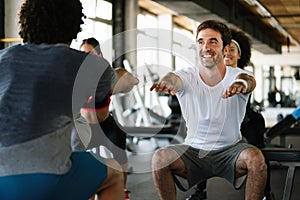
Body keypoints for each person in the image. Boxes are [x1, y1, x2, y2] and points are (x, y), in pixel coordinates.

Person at [0, 0, 125, 199]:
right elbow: (101, 113)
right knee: (115, 173)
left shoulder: (2, 57)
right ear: (74, 27)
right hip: (42, 178)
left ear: (24, 25)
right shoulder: (88, 65)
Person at [150, 20, 267, 200]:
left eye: (213, 41)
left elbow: (248, 80)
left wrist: (240, 85)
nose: (206, 47)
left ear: (225, 49)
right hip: (194, 151)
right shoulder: (187, 75)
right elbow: (173, 77)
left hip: (231, 151)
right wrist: (166, 81)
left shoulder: (237, 75)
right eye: (201, 42)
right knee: (160, 158)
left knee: (256, 158)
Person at [187, 28, 273, 200]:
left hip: (246, 121)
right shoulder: (210, 74)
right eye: (224, 49)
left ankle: (265, 193)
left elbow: (247, 81)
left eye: (232, 50)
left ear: (240, 55)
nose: (227, 53)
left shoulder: (244, 74)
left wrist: (239, 85)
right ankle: (200, 192)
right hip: (219, 121)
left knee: (259, 154)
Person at [71, 37, 139, 200]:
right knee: (74, 156)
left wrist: (132, 79)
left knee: (120, 144)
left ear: (99, 55)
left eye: (90, 53)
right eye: (83, 54)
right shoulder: (76, 74)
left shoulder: (105, 74)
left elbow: (122, 74)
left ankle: (122, 190)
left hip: (105, 125)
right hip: (83, 127)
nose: (86, 57)